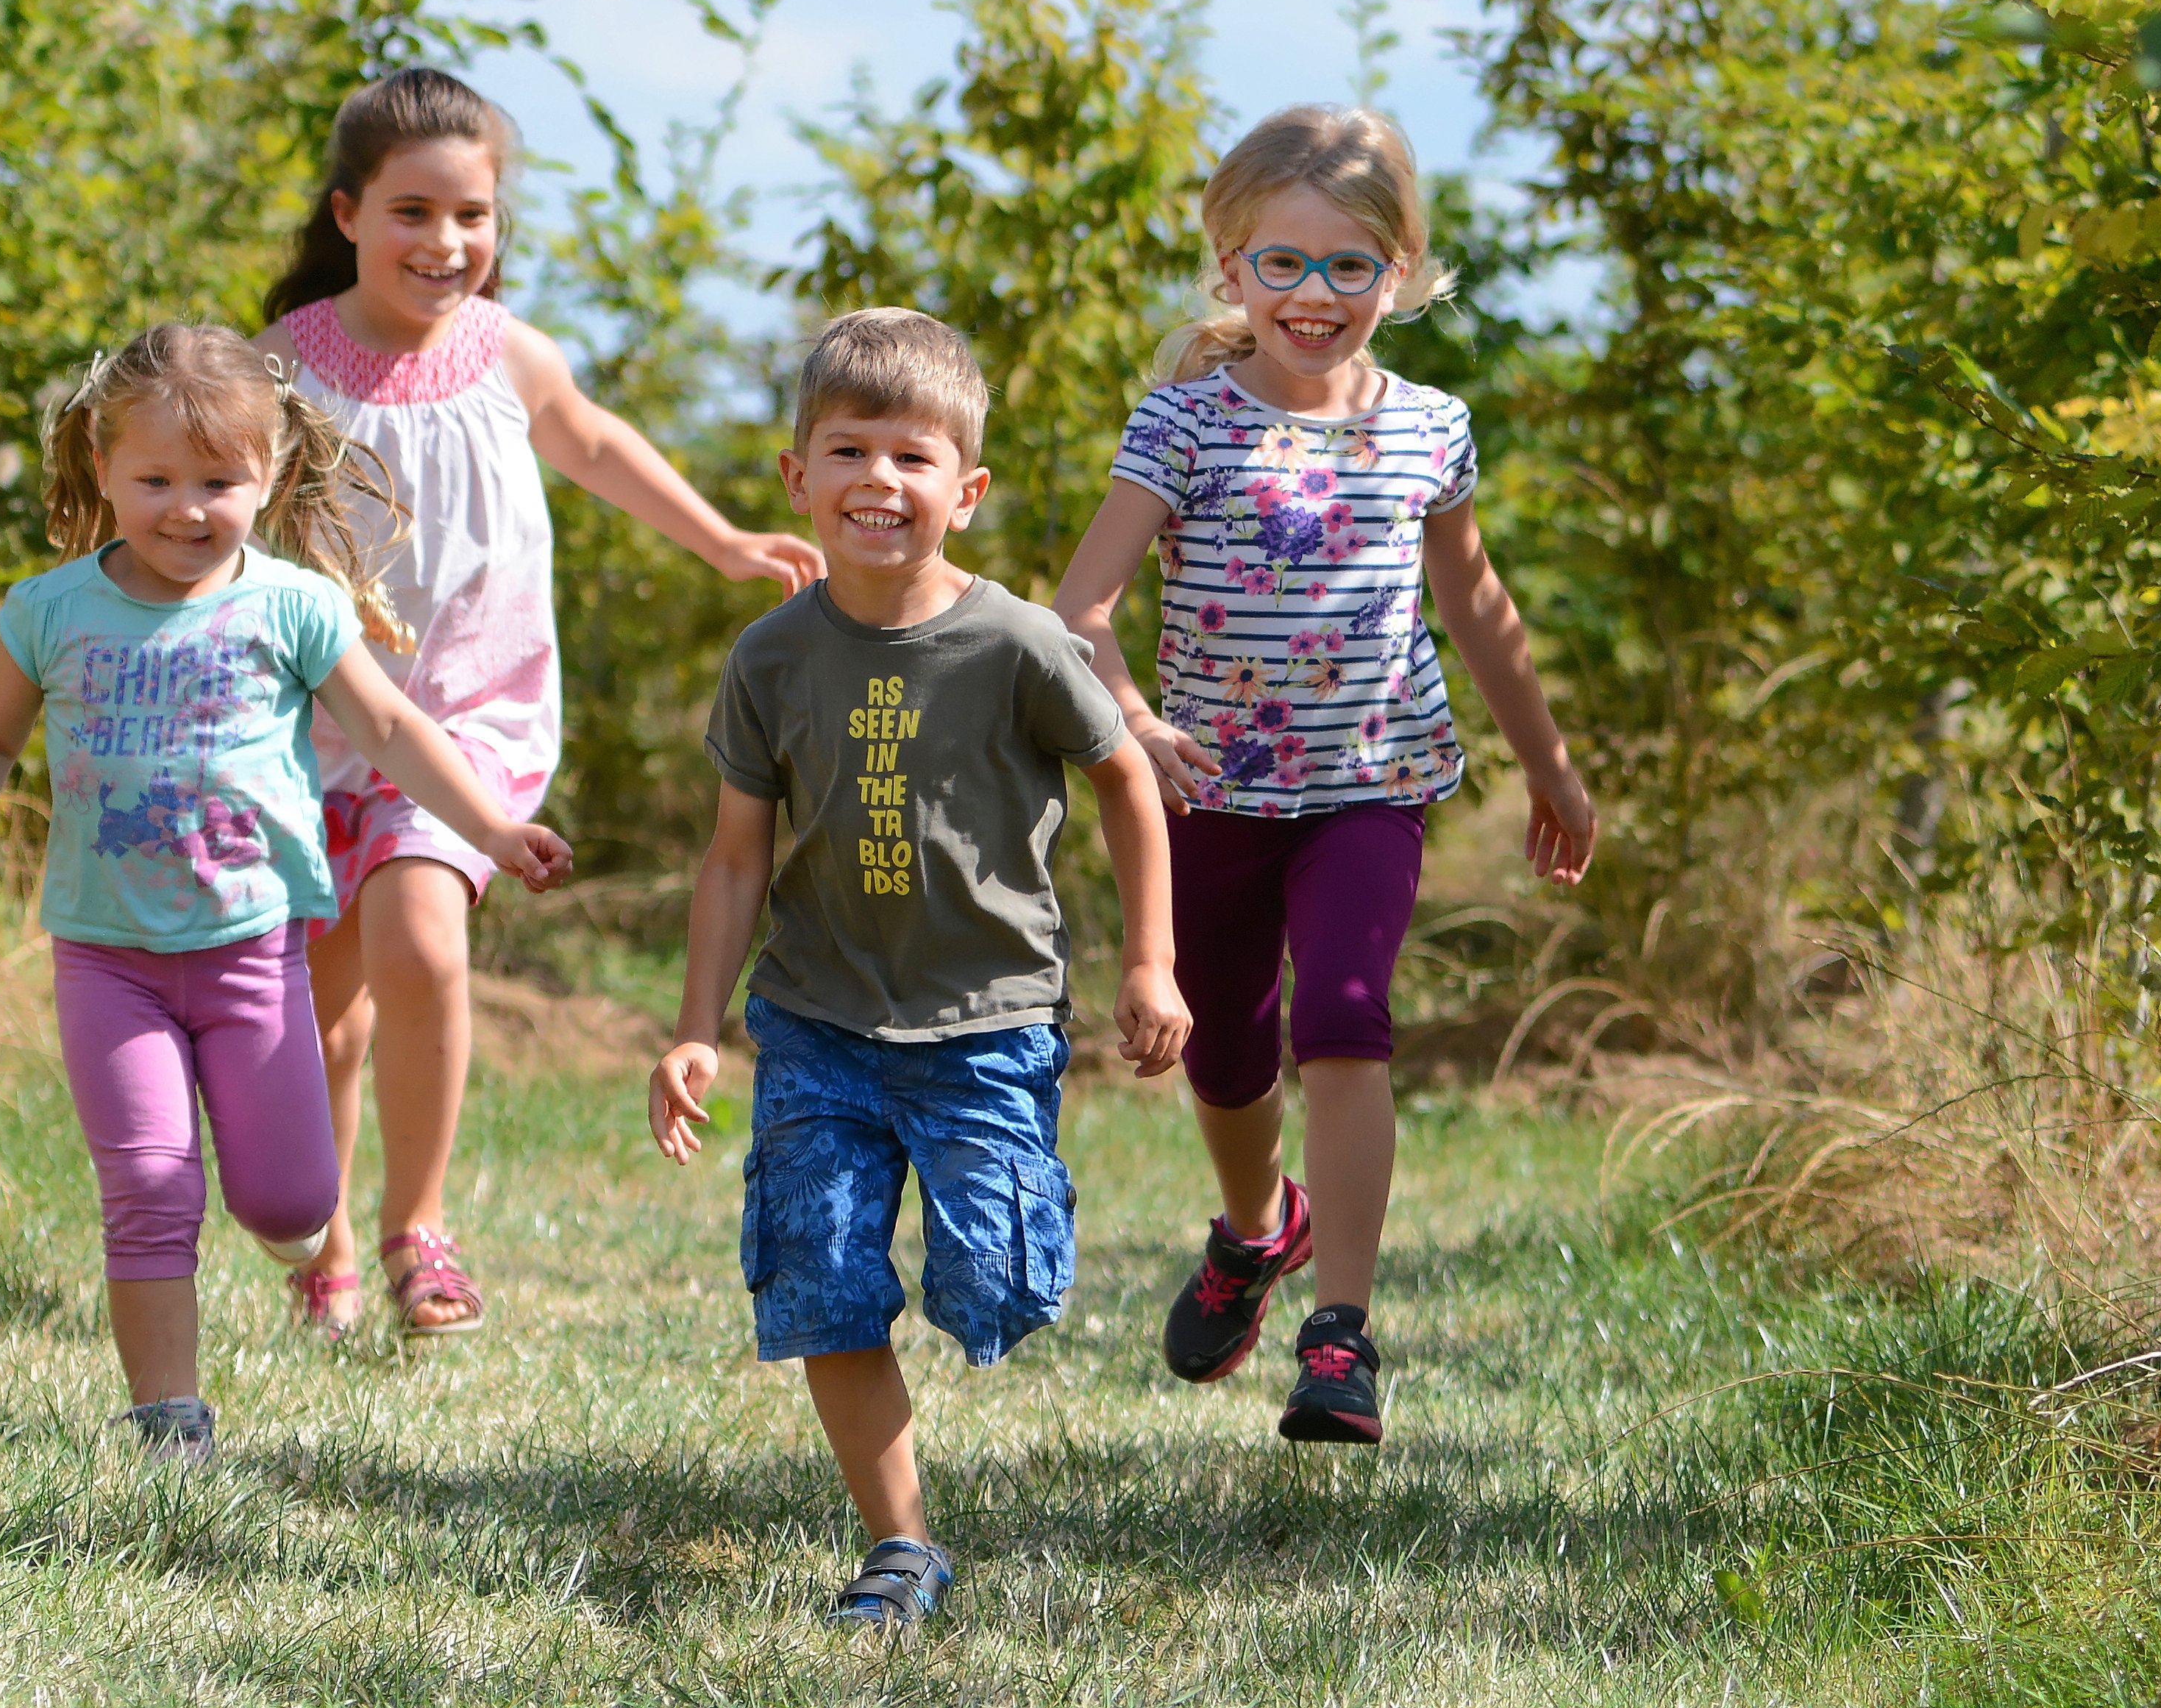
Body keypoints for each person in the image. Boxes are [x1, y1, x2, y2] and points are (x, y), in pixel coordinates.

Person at [0, 323, 572, 1462]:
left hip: (252, 952)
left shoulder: (293, 607)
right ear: (103, 467)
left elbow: (387, 725)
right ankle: (167, 1421)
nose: (187, 509)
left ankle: (312, 1248)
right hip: (106, 955)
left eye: (219, 483)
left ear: (270, 473)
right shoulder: (52, 612)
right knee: (147, 1183)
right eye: (156, 482)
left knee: (285, 1204)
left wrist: (490, 822)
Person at [1047, 106, 1597, 1447]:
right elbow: (1079, 609)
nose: (1314, 295)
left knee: (1346, 1017)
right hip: (1214, 795)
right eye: (1281, 264)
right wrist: (1130, 716)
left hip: (1373, 780)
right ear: (1231, 270)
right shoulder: (1183, 427)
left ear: (1399, 273)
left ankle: (1338, 1333)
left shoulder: (1429, 430)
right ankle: (1256, 1230)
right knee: (1227, 1051)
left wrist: (1552, 767)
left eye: (1350, 266)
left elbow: (1475, 607)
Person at [256, 68, 822, 1339]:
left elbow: (599, 445)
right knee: (324, 1013)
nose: (446, 243)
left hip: (465, 720)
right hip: (310, 724)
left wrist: (727, 539)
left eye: (474, 215)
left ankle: (419, 1225)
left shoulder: (511, 354)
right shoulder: (282, 366)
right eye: (412, 212)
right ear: (347, 214)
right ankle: (327, 1240)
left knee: (421, 940)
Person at [647, 309, 1190, 1634]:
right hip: (820, 1020)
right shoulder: (770, 659)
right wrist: (696, 1027)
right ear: (797, 481)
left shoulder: (1016, 645)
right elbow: (733, 859)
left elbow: (1127, 778)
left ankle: (995, 1248)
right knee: (821, 1272)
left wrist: (1152, 960)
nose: (879, 481)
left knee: (997, 1287)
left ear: (968, 490)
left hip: (988, 1022)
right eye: (848, 450)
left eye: (913, 455)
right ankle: (900, 1546)